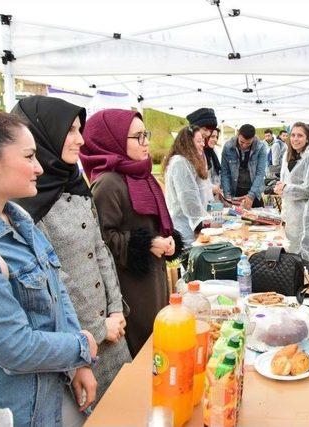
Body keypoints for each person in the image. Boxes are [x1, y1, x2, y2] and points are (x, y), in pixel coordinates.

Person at [0, 99, 98, 426]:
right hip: (11, 411)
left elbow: (57, 291)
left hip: (50, 396)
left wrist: (78, 364)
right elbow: (15, 348)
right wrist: (80, 346)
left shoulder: (18, 218)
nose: (39, 167)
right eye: (29, 157)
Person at [11, 96, 132, 403]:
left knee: (124, 405)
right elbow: (52, 276)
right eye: (71, 130)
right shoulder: (25, 201)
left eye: (81, 129)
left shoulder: (75, 182)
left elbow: (100, 249)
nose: (80, 139)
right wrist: (97, 326)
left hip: (111, 326)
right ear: (44, 134)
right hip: (73, 338)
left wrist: (116, 309)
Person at [79, 109, 182, 357]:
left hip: (152, 281)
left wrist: (168, 240)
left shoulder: (141, 175)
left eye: (145, 134)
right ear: (111, 139)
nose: (146, 142)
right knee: (143, 352)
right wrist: (146, 244)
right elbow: (101, 242)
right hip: (131, 290)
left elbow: (152, 225)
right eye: (138, 137)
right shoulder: (108, 184)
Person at [274, 122, 309, 274]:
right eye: (293, 135)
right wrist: (281, 186)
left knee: (305, 265)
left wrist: (286, 188)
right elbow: (289, 183)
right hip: (293, 218)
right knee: (294, 262)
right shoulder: (290, 156)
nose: (295, 139)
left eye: (300, 135)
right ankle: (296, 293)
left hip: (307, 220)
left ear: (308, 139)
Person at [164, 126, 212, 249]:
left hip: (189, 224)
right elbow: (187, 197)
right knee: (189, 262)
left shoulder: (186, 161)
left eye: (203, 140)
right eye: (199, 141)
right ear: (188, 143)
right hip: (185, 227)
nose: (202, 144)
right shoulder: (180, 162)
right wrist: (200, 223)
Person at [220, 124, 268, 208]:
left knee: (255, 218)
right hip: (235, 191)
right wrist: (227, 196)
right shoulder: (228, 147)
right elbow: (225, 173)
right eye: (242, 142)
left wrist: (251, 195)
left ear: (253, 138)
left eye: (248, 143)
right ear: (238, 135)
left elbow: (260, 173)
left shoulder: (261, 147)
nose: (244, 145)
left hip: (254, 191)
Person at [187, 108, 222, 198]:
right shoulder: (185, 154)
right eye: (205, 129)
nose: (207, 133)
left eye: (210, 130)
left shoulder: (202, 152)